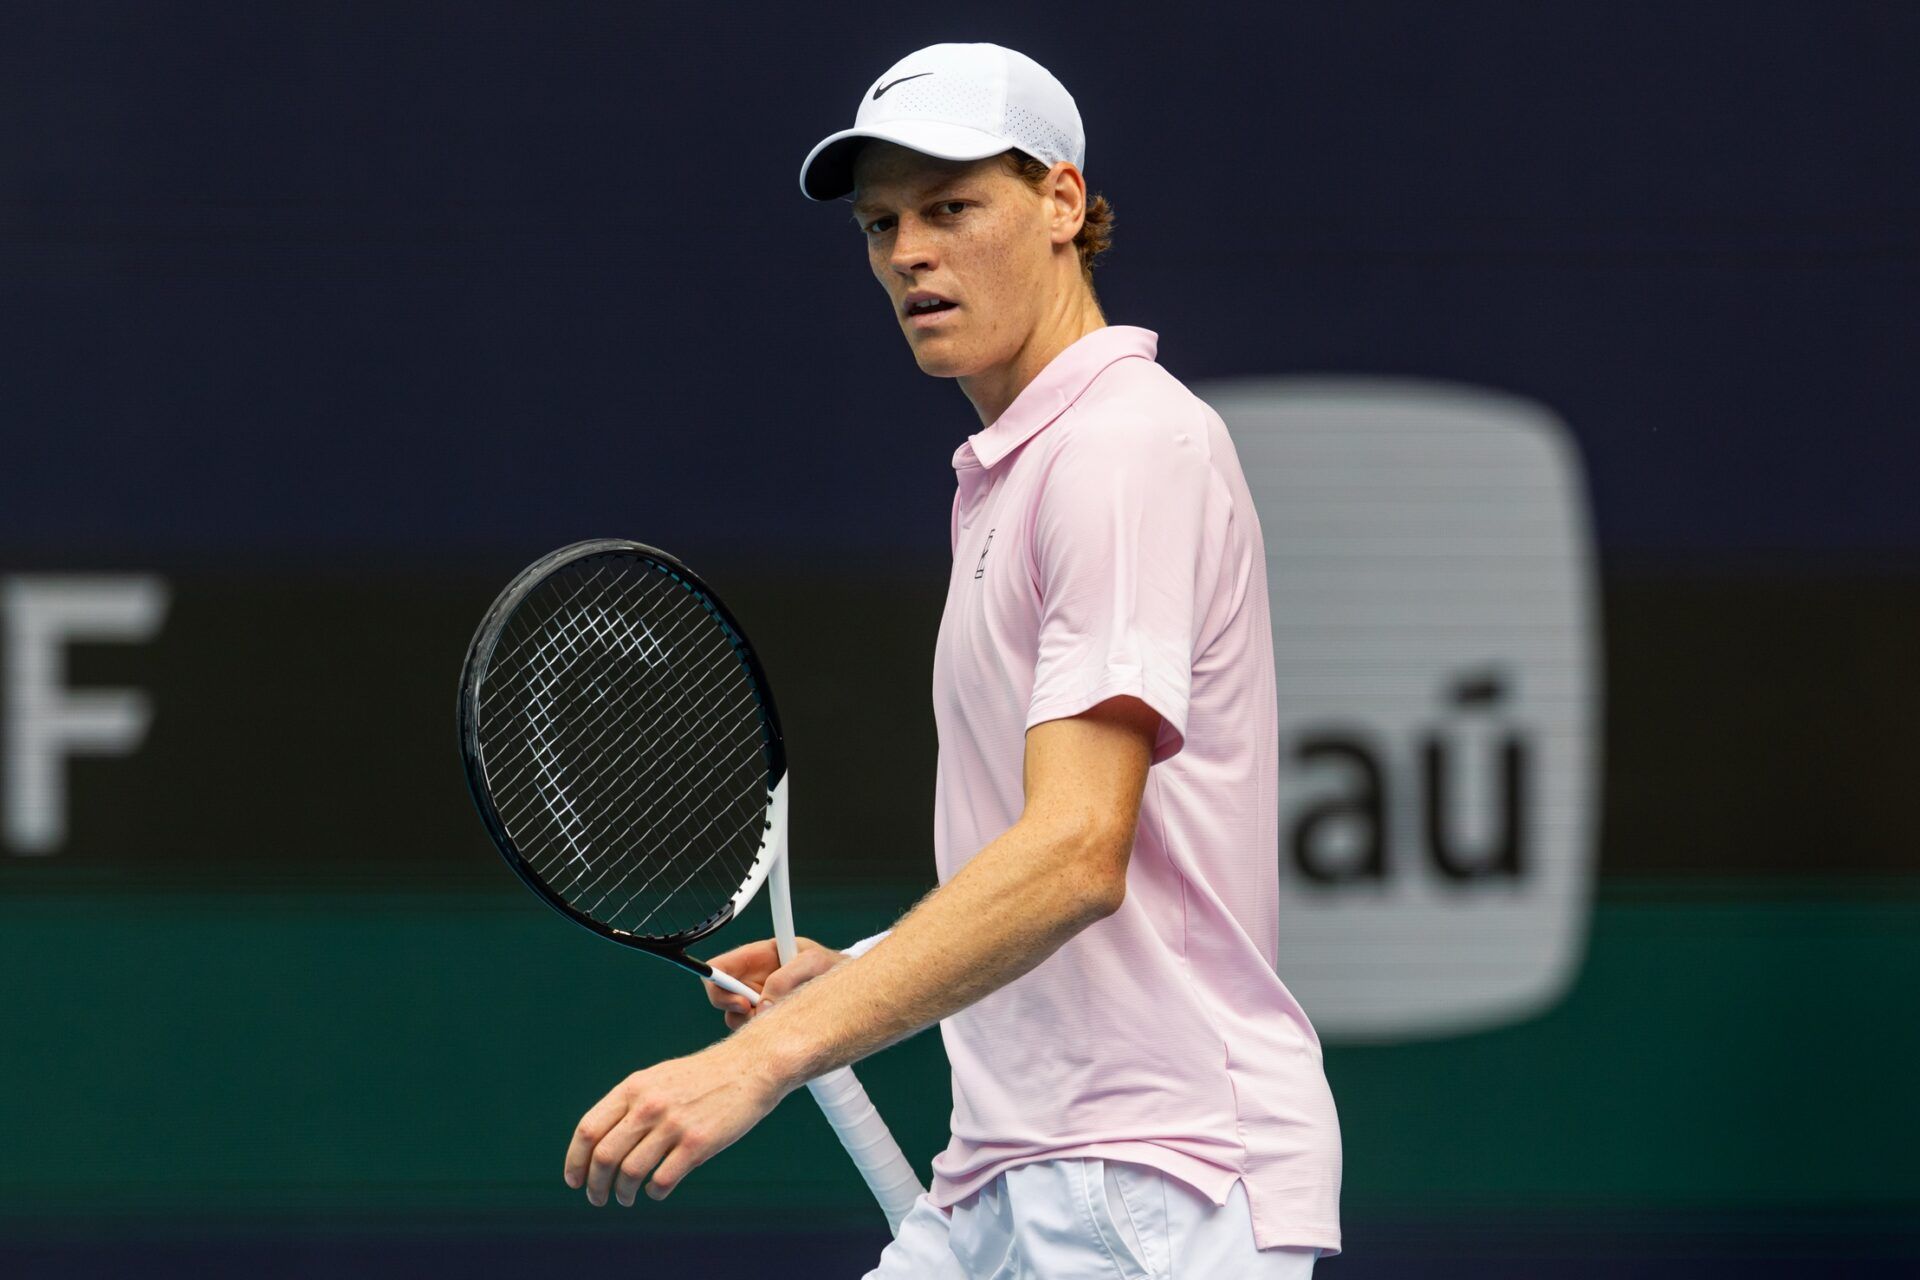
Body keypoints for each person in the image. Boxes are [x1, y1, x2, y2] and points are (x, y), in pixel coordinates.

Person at [561, 41, 1342, 1276]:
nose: (909, 253)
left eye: (951, 208)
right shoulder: (1017, 473)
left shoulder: (1122, 448)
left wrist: (763, 1057)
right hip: (1008, 1173)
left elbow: (1075, 854)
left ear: (1063, 202)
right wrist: (857, 975)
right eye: (882, 225)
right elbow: (1054, 855)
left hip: (1150, 1182)